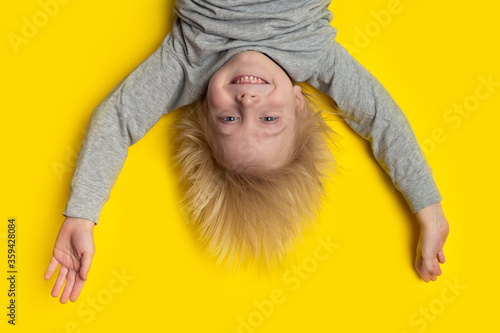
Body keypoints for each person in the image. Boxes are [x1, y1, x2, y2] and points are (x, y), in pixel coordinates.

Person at [44, 0, 449, 304]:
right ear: (298, 103)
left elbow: (117, 121)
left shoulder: (187, 63)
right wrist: (428, 208)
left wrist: (82, 213)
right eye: (270, 121)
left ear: (204, 108)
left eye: (229, 121)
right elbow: (381, 119)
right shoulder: (314, 55)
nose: (249, 101)